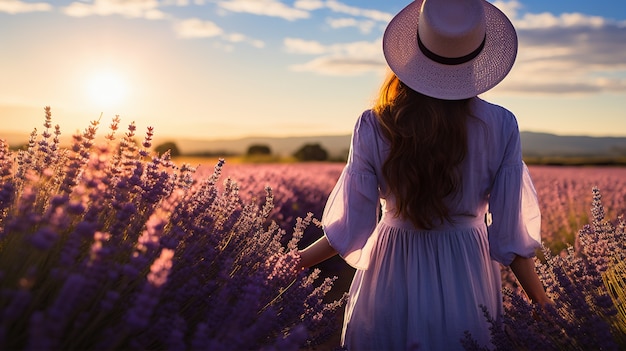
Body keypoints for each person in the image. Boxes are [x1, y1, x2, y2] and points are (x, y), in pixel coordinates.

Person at [297, 0, 550, 349]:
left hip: (389, 270)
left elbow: (351, 228)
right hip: (466, 272)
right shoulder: (502, 124)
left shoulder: (374, 124)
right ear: (476, 55)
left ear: (412, 53)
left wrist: (290, 264)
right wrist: (545, 304)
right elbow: (510, 236)